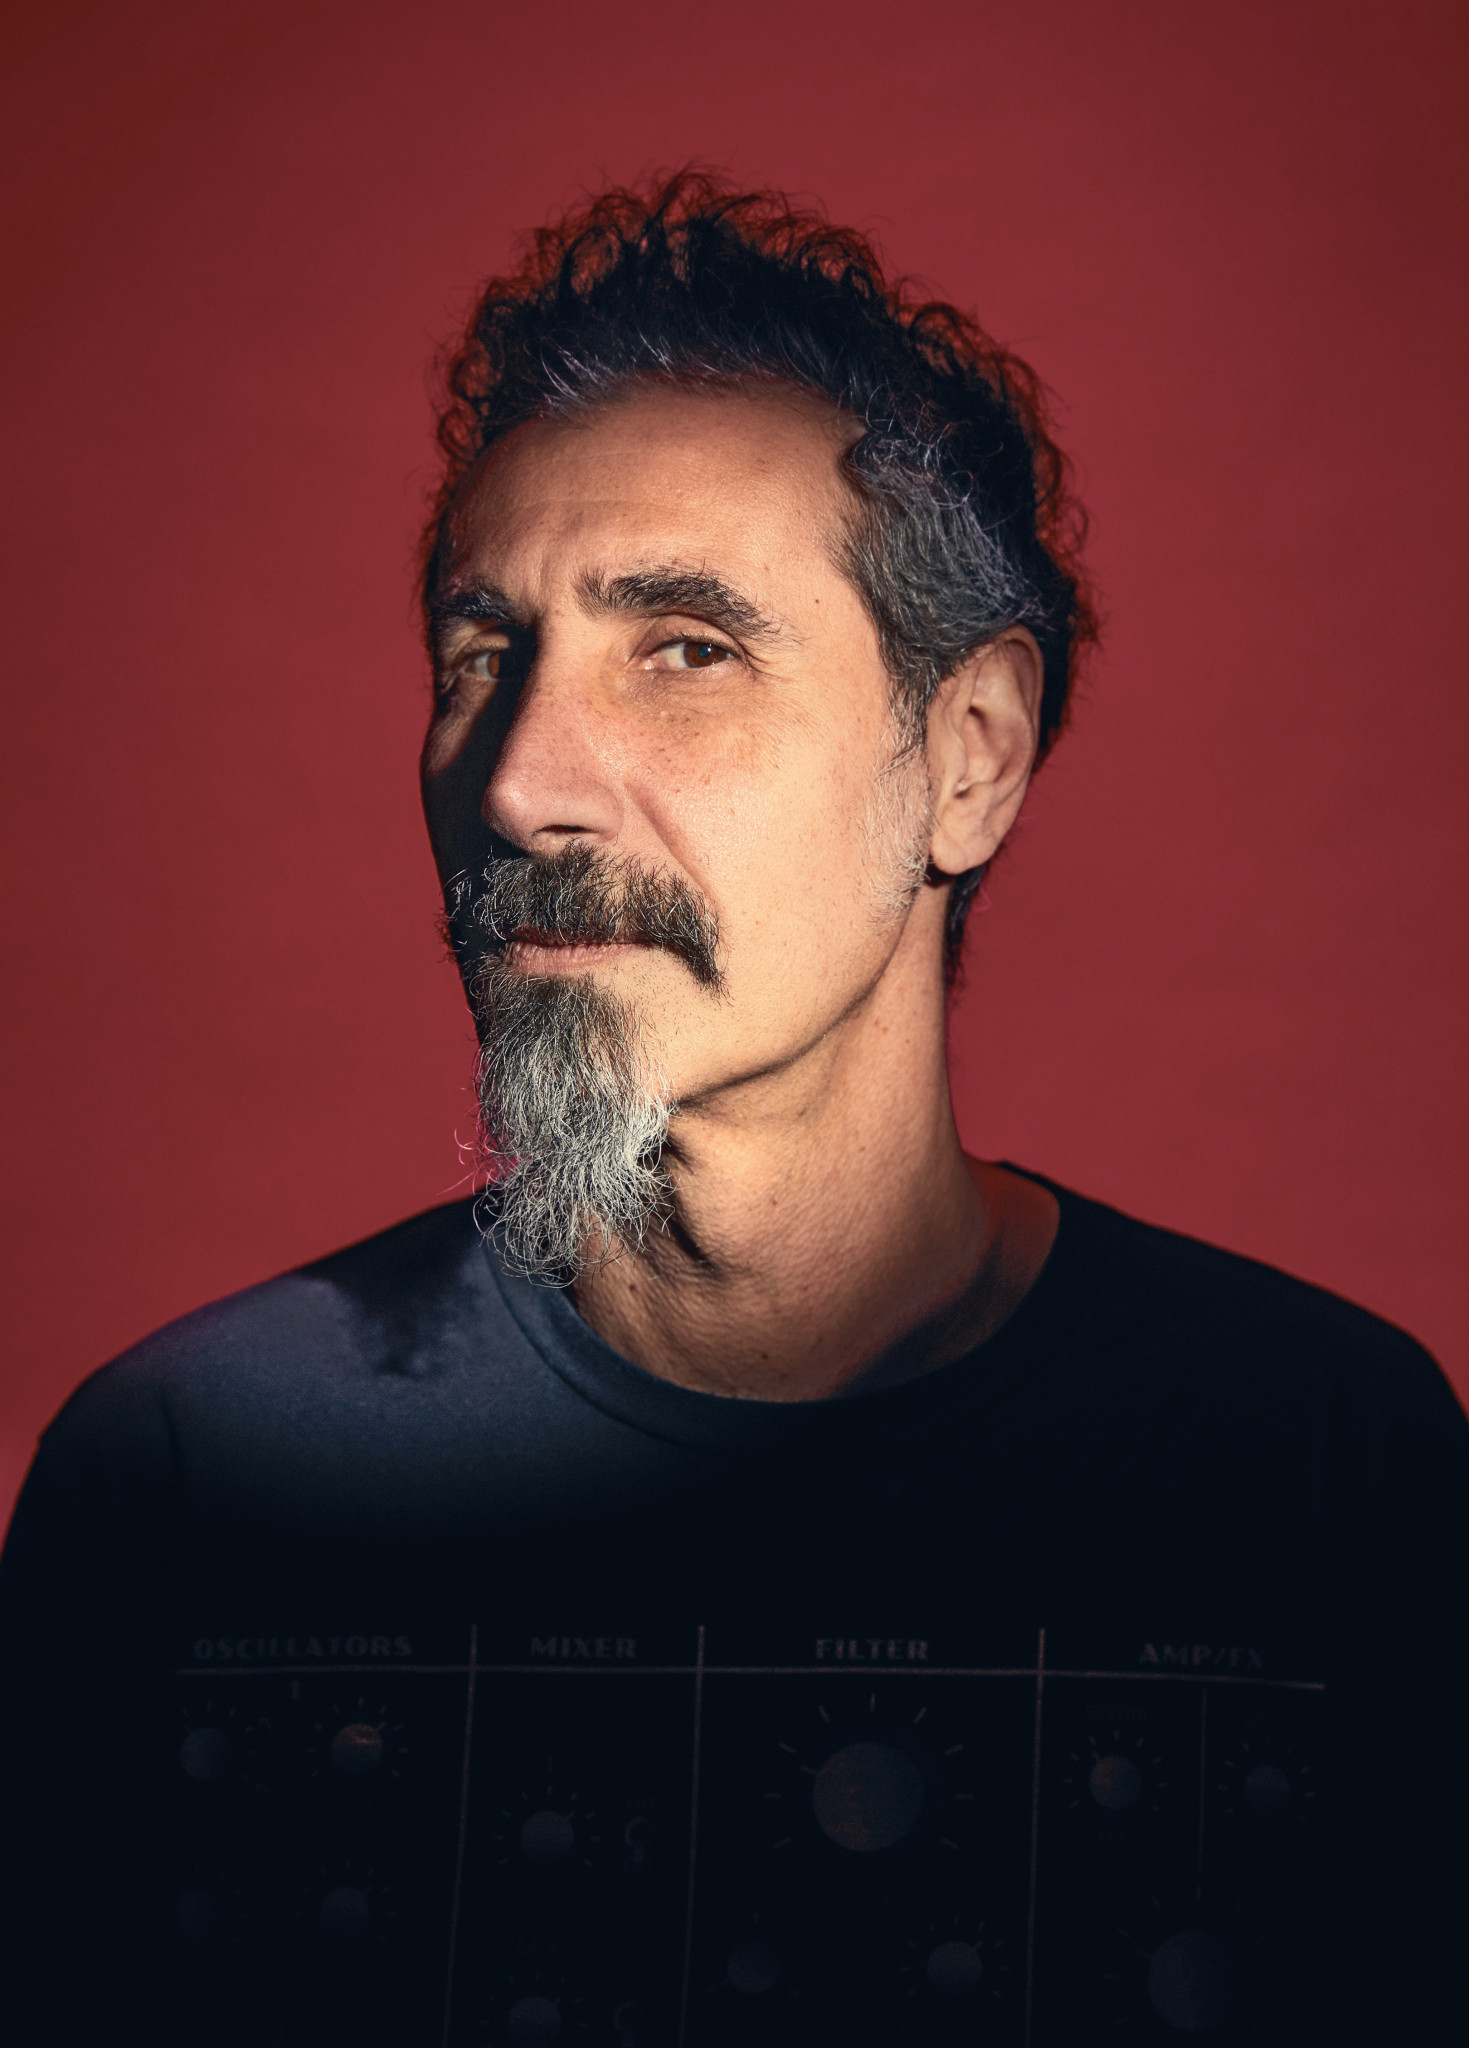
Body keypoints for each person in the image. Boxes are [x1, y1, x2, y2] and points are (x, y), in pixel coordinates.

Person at [1, 174, 1463, 2048]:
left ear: (967, 760)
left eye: (684, 651)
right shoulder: (188, 1481)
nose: (521, 783)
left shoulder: (1321, 1472)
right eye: (479, 661)